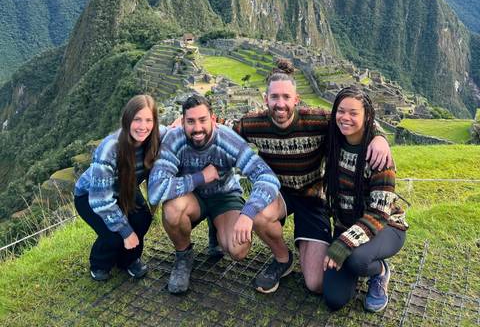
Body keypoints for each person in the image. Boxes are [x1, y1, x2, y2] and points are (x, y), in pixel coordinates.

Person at [233, 59, 393, 294]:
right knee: (257, 214)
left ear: (296, 100)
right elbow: (222, 131)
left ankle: (308, 244)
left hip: (312, 195)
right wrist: (178, 127)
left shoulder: (317, 119)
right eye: (274, 97)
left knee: (316, 284)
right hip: (278, 192)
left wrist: (379, 136)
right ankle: (282, 259)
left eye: (286, 97)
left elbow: (350, 116)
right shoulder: (253, 123)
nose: (280, 104)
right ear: (265, 99)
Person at [148, 94, 284, 294]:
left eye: (202, 120)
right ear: (183, 122)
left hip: (224, 196)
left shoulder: (228, 140)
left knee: (239, 249)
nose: (197, 128)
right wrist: (200, 177)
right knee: (172, 210)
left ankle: (217, 228)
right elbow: (156, 191)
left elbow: (267, 177)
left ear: (213, 119)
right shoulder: (174, 140)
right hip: (191, 197)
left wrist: (248, 212)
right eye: (191, 121)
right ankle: (183, 256)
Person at [322, 86, 408, 313]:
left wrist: (343, 243)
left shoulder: (378, 156)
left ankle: (379, 272)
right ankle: (356, 262)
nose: (345, 118)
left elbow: (380, 212)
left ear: (367, 116)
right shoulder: (333, 138)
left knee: (356, 259)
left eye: (353, 113)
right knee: (334, 299)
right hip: (346, 225)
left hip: (385, 227)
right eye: (341, 111)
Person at [74, 94, 164, 281]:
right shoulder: (111, 148)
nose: (143, 126)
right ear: (127, 119)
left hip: (127, 189)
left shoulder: (155, 138)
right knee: (114, 232)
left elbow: (175, 131)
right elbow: (100, 199)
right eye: (137, 119)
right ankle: (100, 263)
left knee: (142, 219)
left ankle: (129, 259)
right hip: (91, 195)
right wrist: (126, 231)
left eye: (148, 120)